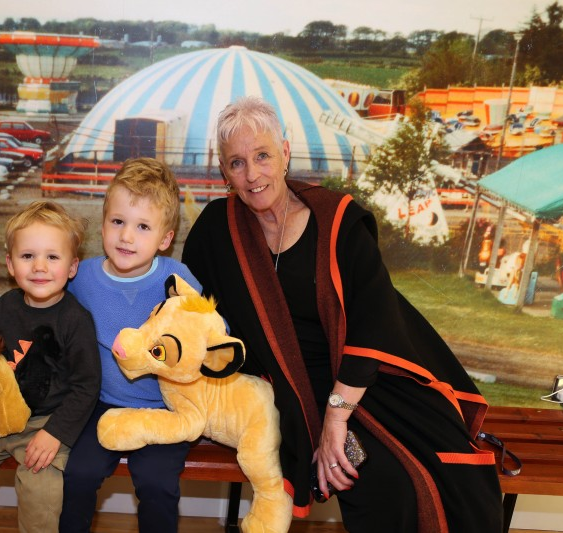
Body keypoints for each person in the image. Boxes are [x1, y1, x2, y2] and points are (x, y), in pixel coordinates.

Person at [181, 96, 503, 532]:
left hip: (364, 383)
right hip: (284, 394)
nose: (253, 174)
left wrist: (336, 418)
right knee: (369, 478)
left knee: (426, 476)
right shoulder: (217, 231)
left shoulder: (339, 221)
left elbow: (374, 324)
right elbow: (192, 312)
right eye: (237, 163)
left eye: (262, 156)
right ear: (223, 171)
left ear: (286, 153)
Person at [59, 157, 202, 533]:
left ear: (165, 239)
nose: (126, 237)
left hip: (163, 410)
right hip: (100, 405)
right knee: (78, 474)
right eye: (118, 222)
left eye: (142, 227)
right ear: (103, 222)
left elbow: (206, 335)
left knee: (157, 484)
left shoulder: (178, 279)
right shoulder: (82, 277)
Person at [0, 201, 101, 533]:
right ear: (10, 265)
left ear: (72, 267)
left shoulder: (75, 321)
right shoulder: (4, 308)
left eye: (52, 257)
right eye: (28, 256)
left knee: (41, 497)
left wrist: (55, 434)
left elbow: (87, 386)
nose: (39, 266)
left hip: (44, 424)